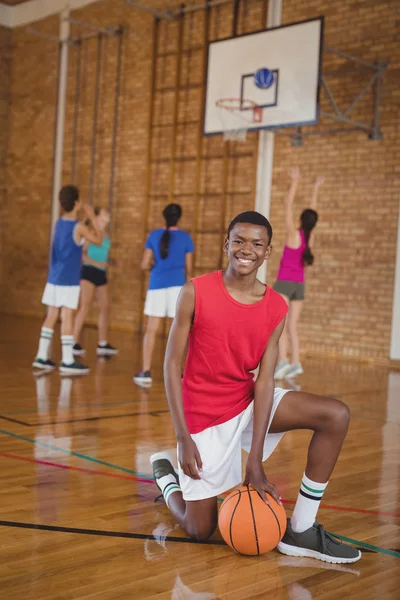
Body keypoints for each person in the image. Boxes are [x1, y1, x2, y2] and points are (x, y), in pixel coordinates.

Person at [150, 210, 360, 564]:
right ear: (226, 244)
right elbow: (171, 365)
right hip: (203, 418)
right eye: (239, 241)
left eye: (256, 244)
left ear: (268, 252)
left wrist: (255, 461)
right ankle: (166, 480)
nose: (246, 249)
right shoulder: (195, 291)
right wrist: (183, 436)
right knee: (200, 529)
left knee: (335, 415)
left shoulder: (276, 306)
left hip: (245, 402)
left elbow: (264, 380)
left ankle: (302, 528)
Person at [32, 185, 102, 375]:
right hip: (69, 279)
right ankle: (67, 360)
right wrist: (93, 218)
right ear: (77, 202)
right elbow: (99, 240)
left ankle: (41, 356)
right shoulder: (79, 227)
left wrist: (85, 219)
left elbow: (75, 235)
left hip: (54, 276)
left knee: (52, 314)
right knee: (67, 316)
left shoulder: (60, 223)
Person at [134, 203, 194, 386]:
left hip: (157, 286)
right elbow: (189, 270)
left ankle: (145, 372)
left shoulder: (153, 235)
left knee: (151, 329)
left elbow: (144, 264)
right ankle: (178, 373)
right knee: (178, 331)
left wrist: (154, 265)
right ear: (179, 217)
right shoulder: (186, 238)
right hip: (178, 289)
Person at [273, 167, 324, 380]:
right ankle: (296, 363)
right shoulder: (309, 239)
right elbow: (312, 215)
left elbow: (287, 205)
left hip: (284, 283)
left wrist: (295, 182)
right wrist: (315, 190)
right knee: (292, 325)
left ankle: (283, 362)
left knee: (280, 325)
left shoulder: (293, 234)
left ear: (300, 220)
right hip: (299, 285)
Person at [72, 207, 118, 357]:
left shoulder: (106, 235)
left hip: (101, 274)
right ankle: (73, 342)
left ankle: (102, 343)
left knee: (105, 307)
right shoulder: (90, 233)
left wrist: (109, 262)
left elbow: (102, 254)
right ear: (97, 217)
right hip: (88, 272)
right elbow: (82, 255)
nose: (108, 216)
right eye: (105, 213)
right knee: (85, 306)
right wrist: (97, 264)